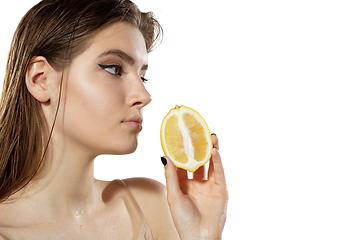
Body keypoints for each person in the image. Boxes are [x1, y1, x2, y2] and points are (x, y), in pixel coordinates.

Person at [0, 0, 228, 239]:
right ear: (41, 80)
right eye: (113, 69)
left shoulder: (153, 207)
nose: (144, 96)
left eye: (143, 77)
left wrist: (202, 236)